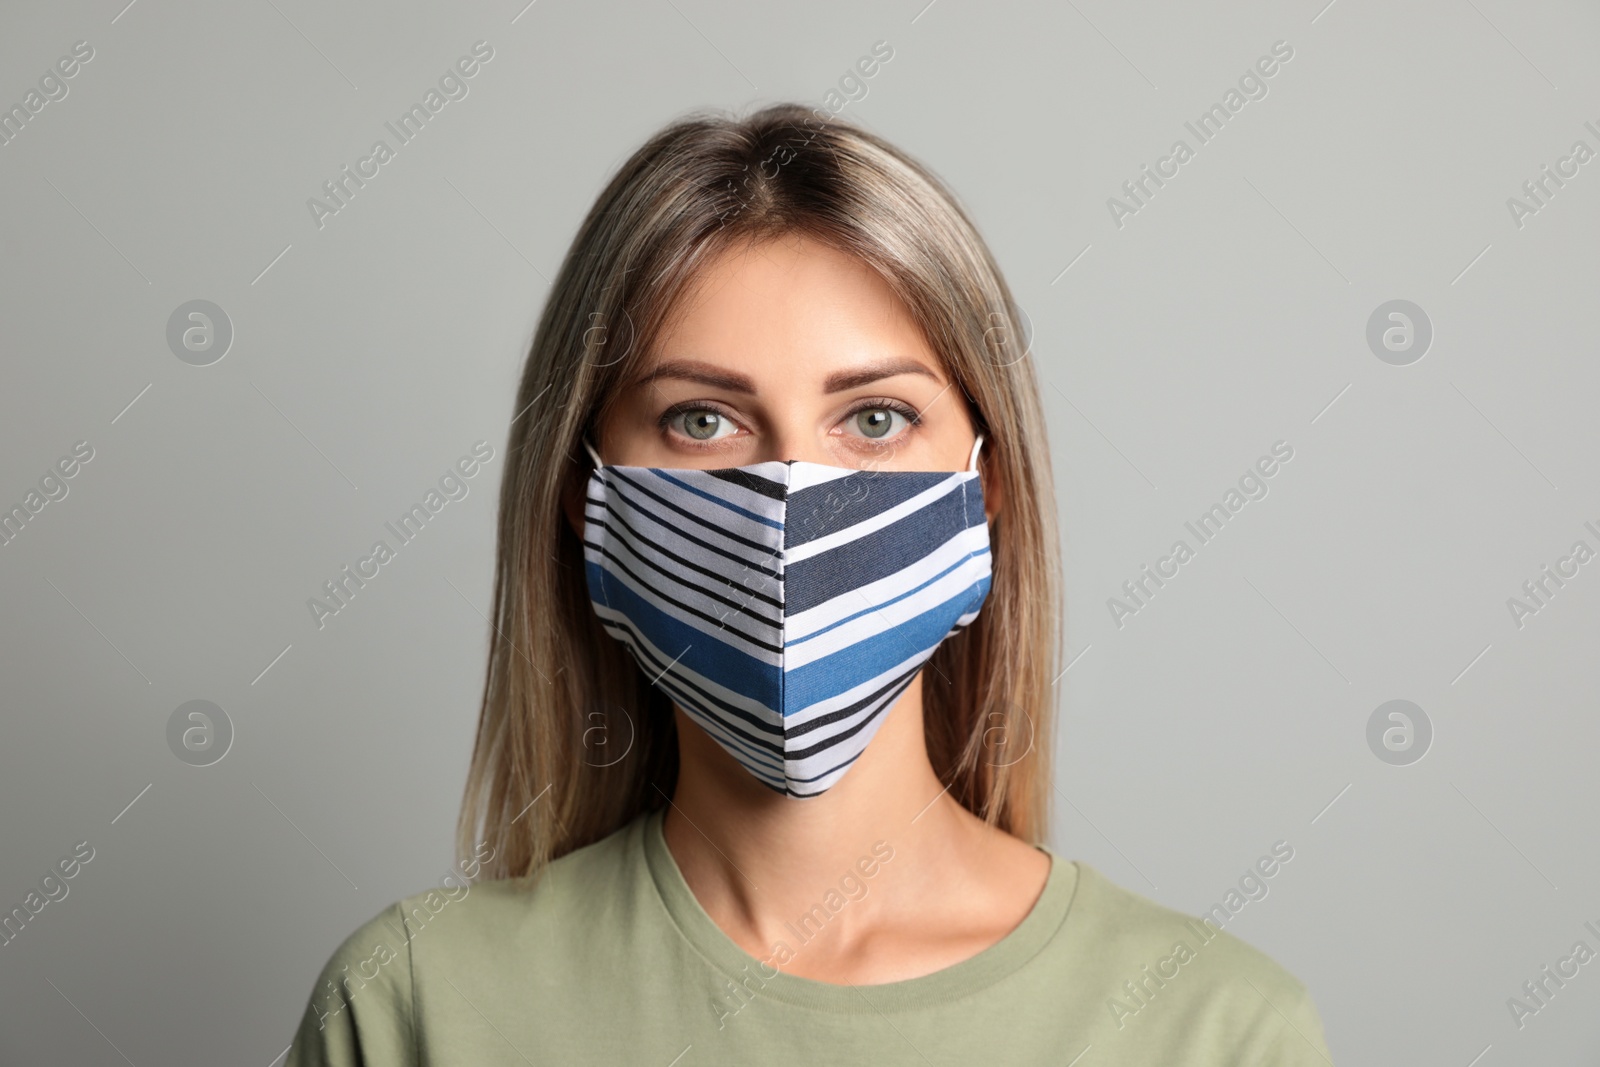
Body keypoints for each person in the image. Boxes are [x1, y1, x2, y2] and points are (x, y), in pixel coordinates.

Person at [285, 102, 1334, 1065]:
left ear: (986, 488)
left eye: (873, 418)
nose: (791, 499)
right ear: (584, 493)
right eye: (702, 418)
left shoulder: (1213, 1028)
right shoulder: (415, 1006)